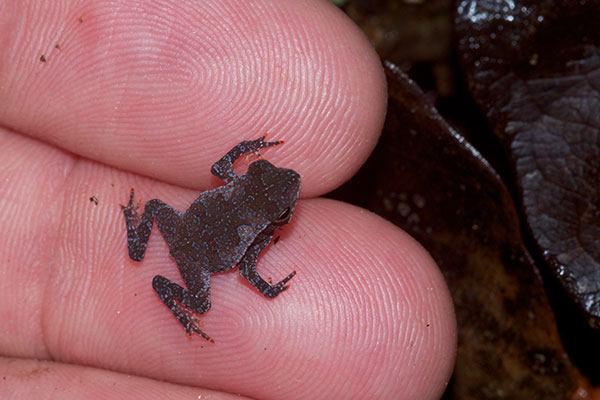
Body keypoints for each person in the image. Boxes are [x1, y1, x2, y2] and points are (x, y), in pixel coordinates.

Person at [0, 0, 456, 398]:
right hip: (195, 255)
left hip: (189, 240)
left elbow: (225, 176)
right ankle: (165, 289)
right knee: (199, 303)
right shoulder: (253, 221)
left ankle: (134, 233)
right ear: (260, 193)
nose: (282, 177)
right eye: (263, 173)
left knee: (159, 215)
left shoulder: (237, 193)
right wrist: (270, 288)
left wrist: (245, 151)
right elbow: (252, 273)